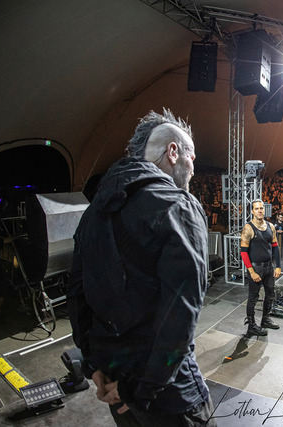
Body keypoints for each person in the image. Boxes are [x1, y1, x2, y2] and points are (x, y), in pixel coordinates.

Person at [67, 109, 216, 426]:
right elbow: (181, 313)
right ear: (173, 152)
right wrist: (140, 389)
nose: (193, 168)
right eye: (191, 156)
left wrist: (93, 365)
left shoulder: (92, 214)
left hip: (112, 385)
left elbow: (77, 295)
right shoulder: (177, 205)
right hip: (166, 394)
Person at [240, 200, 282, 336]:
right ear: (252, 211)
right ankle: (251, 326)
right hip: (256, 268)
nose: (259, 211)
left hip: (269, 267)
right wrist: (251, 271)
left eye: (261, 208)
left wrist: (278, 266)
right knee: (253, 297)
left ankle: (265, 319)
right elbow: (243, 252)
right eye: (257, 208)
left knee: (270, 295)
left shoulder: (270, 226)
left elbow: (275, 247)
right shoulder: (248, 228)